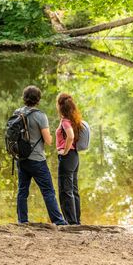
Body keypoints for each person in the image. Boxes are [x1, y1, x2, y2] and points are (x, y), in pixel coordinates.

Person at [16, 85, 67, 225]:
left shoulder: (18, 113)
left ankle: (22, 221)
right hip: (37, 159)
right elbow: (48, 141)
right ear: (38, 99)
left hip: (21, 158)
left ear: (24, 98)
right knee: (48, 191)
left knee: (22, 191)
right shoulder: (40, 116)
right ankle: (59, 222)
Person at [55, 93, 82, 225]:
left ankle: (70, 222)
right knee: (73, 190)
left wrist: (64, 151)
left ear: (60, 106)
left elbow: (70, 136)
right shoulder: (74, 120)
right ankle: (76, 221)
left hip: (68, 157)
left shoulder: (65, 121)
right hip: (75, 157)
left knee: (66, 190)